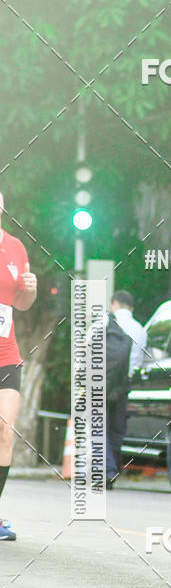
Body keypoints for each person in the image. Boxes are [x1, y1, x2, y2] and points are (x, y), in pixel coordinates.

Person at [0, 190, 37, 539]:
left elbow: (24, 303)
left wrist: (30, 288)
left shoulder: (15, 247)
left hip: (6, 356)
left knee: (4, 432)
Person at [105, 290, 147, 487]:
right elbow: (139, 360)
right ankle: (111, 470)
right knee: (116, 429)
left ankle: (107, 470)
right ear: (131, 307)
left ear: (114, 303)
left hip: (103, 381)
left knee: (99, 427)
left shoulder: (104, 322)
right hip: (125, 384)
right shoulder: (140, 329)